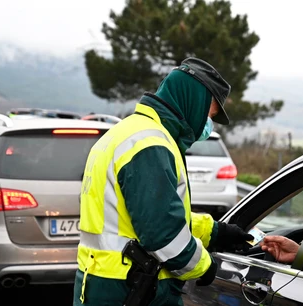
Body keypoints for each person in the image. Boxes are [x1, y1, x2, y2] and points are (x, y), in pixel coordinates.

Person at [74, 57, 253, 306]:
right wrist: (206, 266)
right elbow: (163, 235)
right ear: (193, 101)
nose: (206, 124)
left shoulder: (130, 132)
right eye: (207, 114)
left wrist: (215, 231)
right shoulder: (150, 143)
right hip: (128, 287)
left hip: (104, 281)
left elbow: (151, 214)